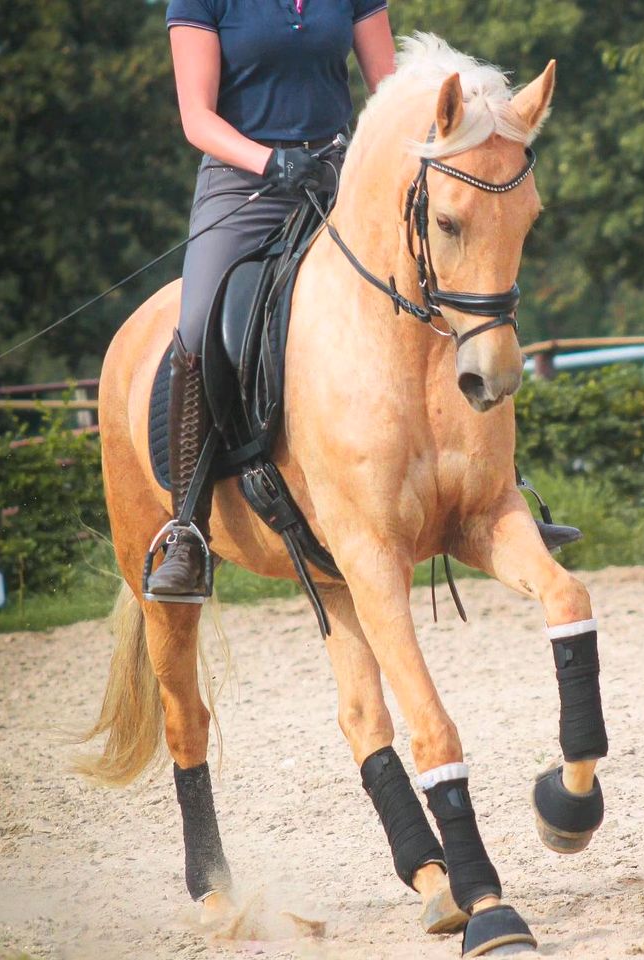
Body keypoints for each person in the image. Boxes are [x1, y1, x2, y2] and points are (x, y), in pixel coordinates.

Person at [146, 0, 396, 600]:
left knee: (428, 281)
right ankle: (186, 529)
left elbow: (390, 92)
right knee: (200, 322)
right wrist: (271, 160)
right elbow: (197, 118)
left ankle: (493, 489)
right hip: (243, 184)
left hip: (339, 173)